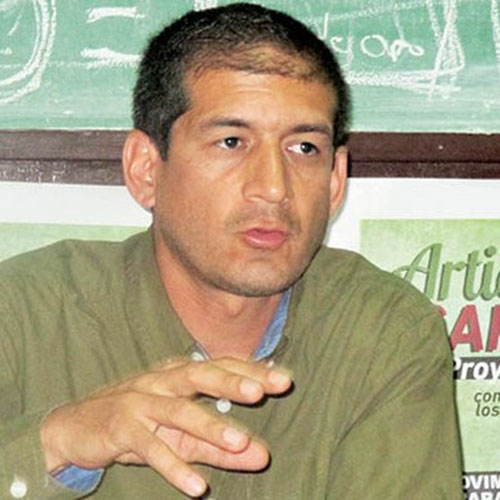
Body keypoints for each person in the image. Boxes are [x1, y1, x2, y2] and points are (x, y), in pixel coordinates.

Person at [0, 3, 463, 499]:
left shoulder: (384, 330)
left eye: (304, 148)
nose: (273, 188)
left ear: (335, 181)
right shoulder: (23, 312)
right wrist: (58, 441)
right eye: (231, 141)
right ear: (145, 169)